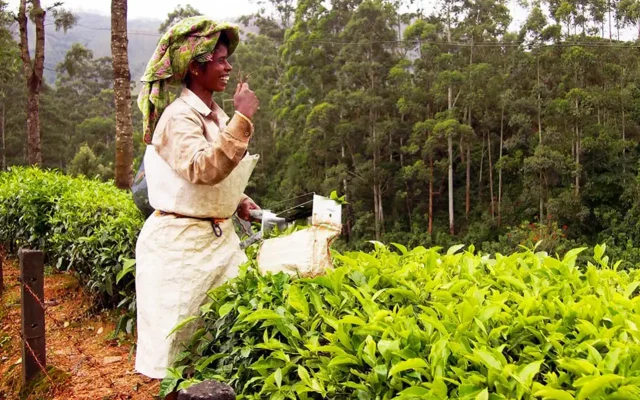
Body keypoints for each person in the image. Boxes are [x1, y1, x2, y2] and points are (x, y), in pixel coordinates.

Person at [133, 16, 261, 388]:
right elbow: (201, 167)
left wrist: (238, 201)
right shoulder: (178, 117)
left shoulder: (214, 116)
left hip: (217, 242)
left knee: (217, 340)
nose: (228, 67)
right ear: (194, 67)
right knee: (177, 352)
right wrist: (243, 118)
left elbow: (212, 182)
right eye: (220, 60)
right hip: (180, 248)